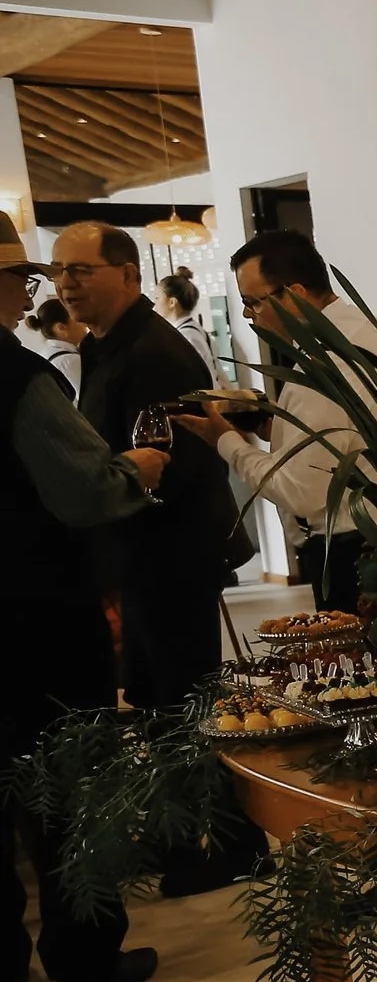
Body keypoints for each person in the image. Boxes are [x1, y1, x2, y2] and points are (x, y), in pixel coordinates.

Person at [0, 214, 174, 982]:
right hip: (36, 608)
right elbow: (83, 489)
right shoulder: (14, 376)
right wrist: (136, 471)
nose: (36, 291)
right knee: (68, 778)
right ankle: (83, 954)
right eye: (28, 278)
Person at [51, 220, 242, 710]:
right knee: (149, 697)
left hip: (168, 556)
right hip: (136, 558)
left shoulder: (153, 353)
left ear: (129, 274)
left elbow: (182, 467)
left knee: (179, 702)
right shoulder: (103, 346)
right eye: (57, 271)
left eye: (80, 270)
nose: (65, 283)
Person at [175, 229, 377, 614]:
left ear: (296, 295)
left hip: (354, 548)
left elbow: (300, 490)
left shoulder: (324, 364)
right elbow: (352, 438)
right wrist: (272, 426)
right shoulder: (371, 331)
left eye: (253, 302)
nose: (248, 316)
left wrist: (226, 441)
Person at [157, 265, 218, 374]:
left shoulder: (186, 336)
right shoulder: (193, 330)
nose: (155, 303)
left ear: (172, 302)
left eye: (158, 298)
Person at [31, 298, 84, 397]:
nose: (84, 324)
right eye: (78, 320)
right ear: (61, 328)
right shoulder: (70, 361)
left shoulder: (45, 353)